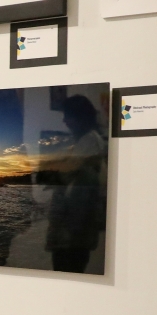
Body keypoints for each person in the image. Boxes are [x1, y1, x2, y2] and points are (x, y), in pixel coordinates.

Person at [45, 95, 108, 273]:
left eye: (68, 116)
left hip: (74, 232)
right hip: (73, 230)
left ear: (80, 117)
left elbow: (72, 179)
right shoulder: (86, 141)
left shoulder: (89, 142)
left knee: (67, 272)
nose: (65, 121)